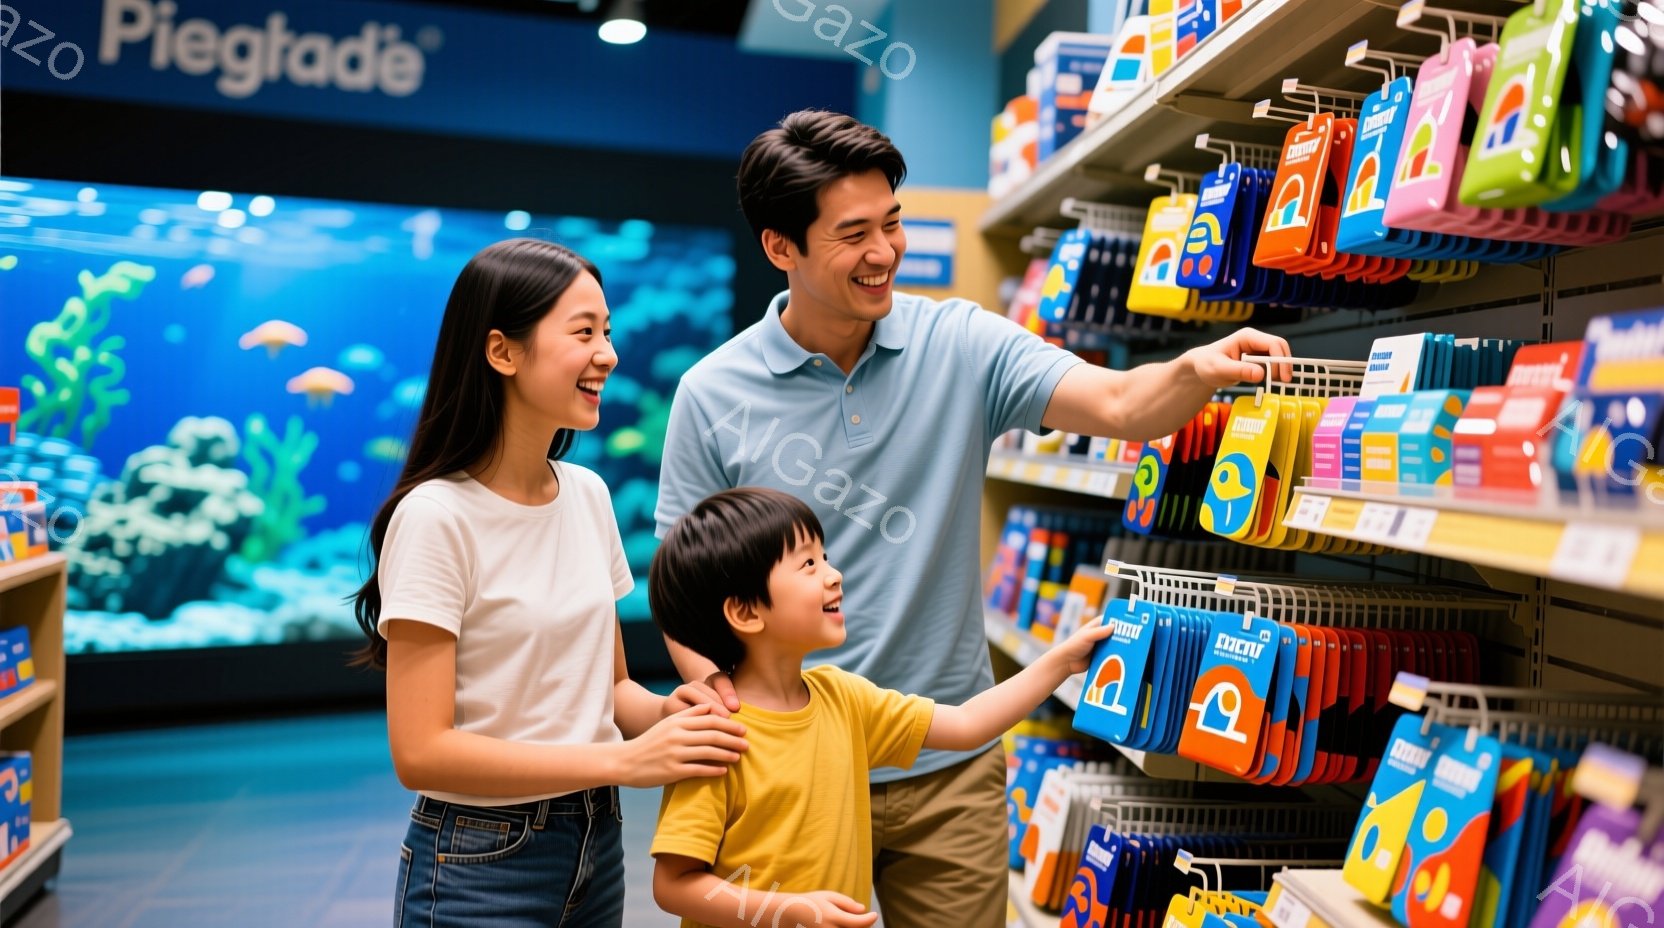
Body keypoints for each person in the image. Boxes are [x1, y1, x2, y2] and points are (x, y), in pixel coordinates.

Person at [653, 110, 1294, 926]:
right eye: (853, 234)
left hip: (946, 762)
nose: (884, 252)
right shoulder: (713, 392)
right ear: (781, 247)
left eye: (892, 222)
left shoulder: (961, 341)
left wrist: (1195, 368)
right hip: (789, 766)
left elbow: (1121, 403)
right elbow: (684, 579)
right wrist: (719, 700)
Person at [351, 238, 749, 928]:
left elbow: (611, 689)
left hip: (595, 842)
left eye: (609, 332)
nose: (609, 354)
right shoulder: (435, 517)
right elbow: (420, 752)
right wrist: (623, 763)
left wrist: (667, 716)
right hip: (479, 857)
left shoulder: (589, 495)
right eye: (585, 332)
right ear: (503, 352)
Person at [647, 487, 1114, 928]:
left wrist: (1059, 662)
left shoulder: (843, 697)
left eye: (824, 557)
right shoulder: (713, 736)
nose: (834, 574)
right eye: (808, 564)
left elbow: (968, 724)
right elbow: (675, 885)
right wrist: (786, 911)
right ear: (747, 613)